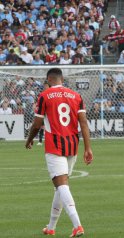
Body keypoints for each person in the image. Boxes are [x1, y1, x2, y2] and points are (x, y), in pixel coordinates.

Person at [25, 68, 93, 237]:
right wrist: (88, 148)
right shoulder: (76, 96)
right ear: (62, 79)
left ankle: (77, 225)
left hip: (55, 145)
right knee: (60, 187)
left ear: (49, 79)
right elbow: (83, 123)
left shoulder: (45, 95)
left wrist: (29, 139)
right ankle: (51, 227)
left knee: (61, 185)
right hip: (72, 145)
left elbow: (37, 123)